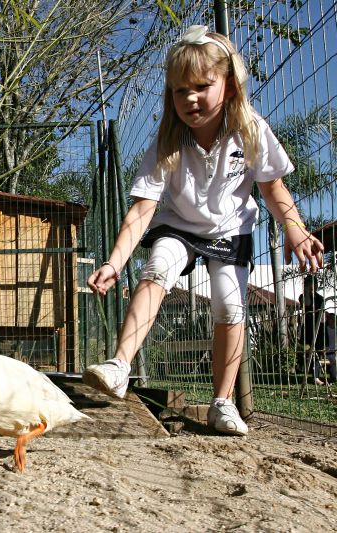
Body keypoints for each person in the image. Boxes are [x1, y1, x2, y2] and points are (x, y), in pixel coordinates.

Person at [82, 25, 324, 436]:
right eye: (179, 90)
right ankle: (119, 366)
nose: (190, 97)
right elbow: (143, 209)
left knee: (230, 307)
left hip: (230, 232)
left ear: (228, 86)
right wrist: (113, 262)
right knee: (157, 267)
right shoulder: (167, 141)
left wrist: (295, 229)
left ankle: (222, 402)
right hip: (179, 227)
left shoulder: (250, 130)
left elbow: (272, 187)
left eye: (201, 85)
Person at [299, 277, 337, 385]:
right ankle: (311, 376)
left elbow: (321, 313)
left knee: (319, 353)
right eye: (311, 283)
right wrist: (306, 291)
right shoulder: (303, 296)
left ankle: (316, 376)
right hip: (309, 328)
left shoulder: (320, 298)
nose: (314, 285)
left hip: (320, 327)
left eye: (315, 283)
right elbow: (306, 304)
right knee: (309, 353)